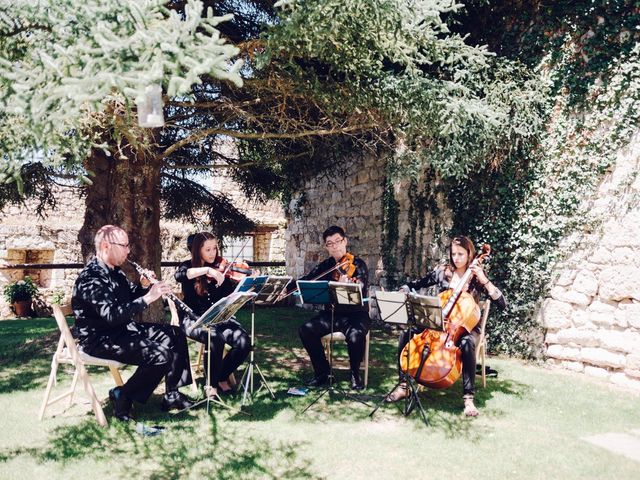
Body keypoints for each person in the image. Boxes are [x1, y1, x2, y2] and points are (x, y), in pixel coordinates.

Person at [71, 225, 194, 421]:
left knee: (175, 334)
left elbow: (131, 295)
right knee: (160, 355)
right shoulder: (91, 278)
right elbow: (111, 315)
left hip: (122, 331)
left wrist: (144, 287)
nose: (129, 251)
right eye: (125, 245)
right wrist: (149, 298)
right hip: (100, 339)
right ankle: (123, 396)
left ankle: (172, 394)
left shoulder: (116, 272)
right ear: (106, 246)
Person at [386, 235, 506, 417]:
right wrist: (405, 288)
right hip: (437, 324)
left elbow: (501, 303)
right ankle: (404, 386)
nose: (456, 258)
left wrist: (483, 278)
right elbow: (417, 284)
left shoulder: (475, 277)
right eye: (453, 254)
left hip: (465, 327)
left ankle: (468, 399)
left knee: (467, 343)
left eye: (460, 254)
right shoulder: (444, 272)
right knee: (407, 333)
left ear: (469, 254)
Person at [174, 232, 250, 397]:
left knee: (244, 342)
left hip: (219, 318)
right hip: (194, 319)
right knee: (215, 337)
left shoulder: (222, 268)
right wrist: (208, 270)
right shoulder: (187, 266)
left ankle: (221, 375)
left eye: (214, 248)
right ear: (197, 250)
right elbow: (179, 276)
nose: (213, 253)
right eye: (207, 249)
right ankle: (211, 385)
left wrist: (246, 283)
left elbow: (230, 296)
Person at [295, 226, 370, 390]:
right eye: (330, 243)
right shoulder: (326, 265)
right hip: (331, 314)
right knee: (305, 330)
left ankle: (355, 374)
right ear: (326, 247)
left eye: (338, 241)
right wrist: (287, 287)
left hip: (356, 315)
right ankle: (323, 373)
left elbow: (362, 286)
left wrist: (348, 285)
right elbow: (307, 279)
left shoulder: (358, 264)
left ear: (345, 241)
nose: (335, 246)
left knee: (356, 335)